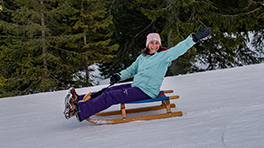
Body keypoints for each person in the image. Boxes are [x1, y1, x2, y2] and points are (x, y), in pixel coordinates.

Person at [64, 25, 211, 122]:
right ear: (147, 44)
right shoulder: (143, 57)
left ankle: (81, 110)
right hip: (137, 86)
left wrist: (193, 38)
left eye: (156, 43)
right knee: (110, 90)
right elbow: (131, 70)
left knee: (112, 96)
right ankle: (79, 99)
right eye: (151, 43)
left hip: (147, 91)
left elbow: (178, 49)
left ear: (159, 45)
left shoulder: (164, 56)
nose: (154, 45)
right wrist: (119, 76)